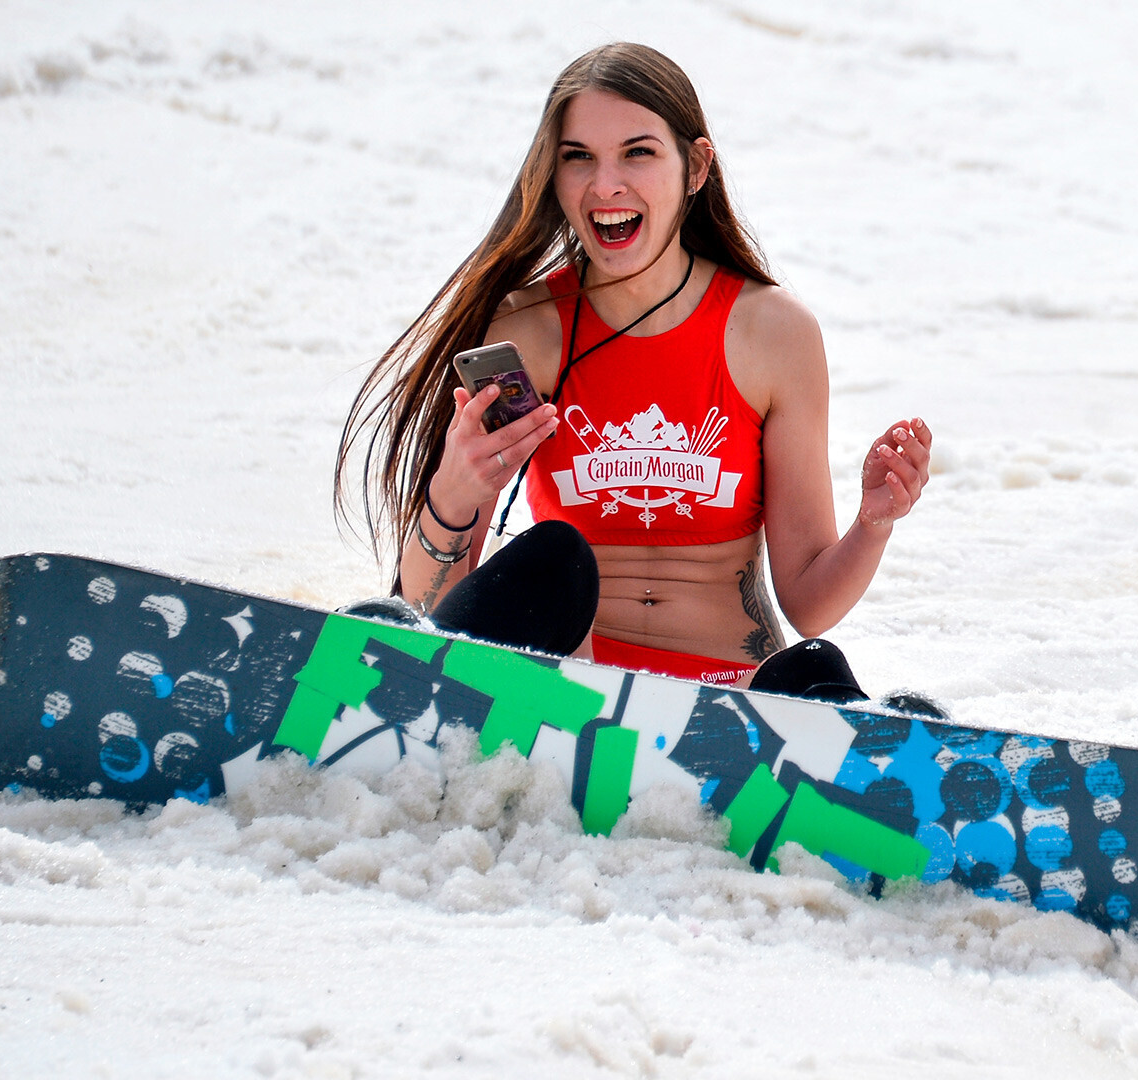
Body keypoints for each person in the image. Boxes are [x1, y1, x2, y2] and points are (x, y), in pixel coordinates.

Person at [335, 43, 932, 703]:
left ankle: (898, 747)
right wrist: (453, 493)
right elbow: (429, 605)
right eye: (578, 157)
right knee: (552, 558)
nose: (605, 185)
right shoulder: (530, 331)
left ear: (696, 166)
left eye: (638, 153)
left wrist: (875, 521)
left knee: (815, 665)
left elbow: (809, 603)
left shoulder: (775, 333)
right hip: (574, 692)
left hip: (727, 713)